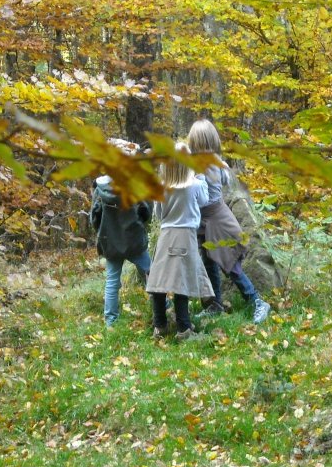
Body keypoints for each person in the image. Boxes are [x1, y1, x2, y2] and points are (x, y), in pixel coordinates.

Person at [187, 119, 271, 324]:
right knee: (208, 264)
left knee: (230, 264)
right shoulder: (201, 163)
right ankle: (214, 305)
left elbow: (206, 190)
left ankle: (257, 301)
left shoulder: (212, 165)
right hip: (203, 222)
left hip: (217, 220)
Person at [146, 142, 214, 341]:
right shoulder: (195, 185)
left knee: (160, 281)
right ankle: (184, 328)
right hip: (186, 235)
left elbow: (158, 214)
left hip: (166, 235)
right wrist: (200, 175)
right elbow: (204, 200)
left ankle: (159, 326)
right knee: (181, 283)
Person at [90, 157, 152, 328]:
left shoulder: (99, 189)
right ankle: (162, 308)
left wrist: (103, 232)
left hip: (111, 243)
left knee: (112, 281)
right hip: (134, 241)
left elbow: (94, 219)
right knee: (151, 274)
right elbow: (146, 212)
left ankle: (110, 322)